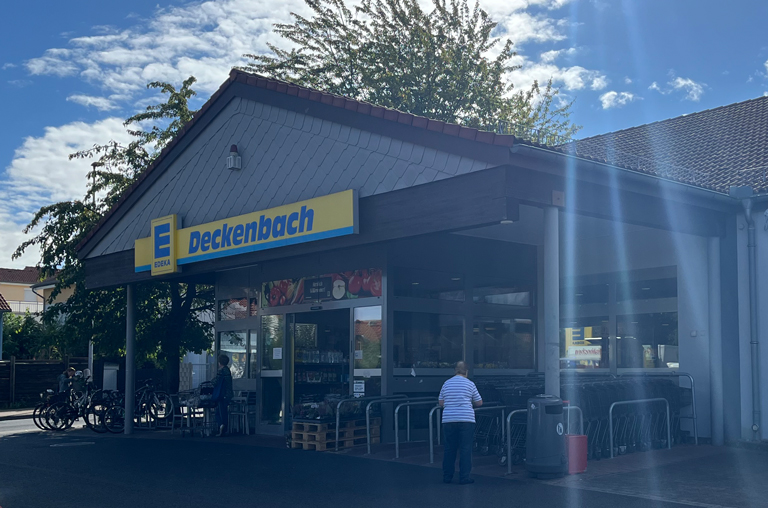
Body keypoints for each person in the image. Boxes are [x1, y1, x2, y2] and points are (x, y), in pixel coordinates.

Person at [439, 361, 482, 484]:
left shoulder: (446, 384)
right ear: (466, 371)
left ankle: (447, 476)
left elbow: (441, 402)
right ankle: (464, 477)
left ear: (455, 371)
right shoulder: (470, 384)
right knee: (465, 449)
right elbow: (479, 402)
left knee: (449, 449)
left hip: (448, 420)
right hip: (466, 419)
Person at [211, 354, 234, 437]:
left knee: (219, 412)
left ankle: (221, 425)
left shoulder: (221, 371)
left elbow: (215, 381)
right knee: (224, 411)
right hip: (228, 394)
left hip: (221, 394)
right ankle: (224, 428)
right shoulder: (228, 370)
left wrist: (211, 382)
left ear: (219, 362)